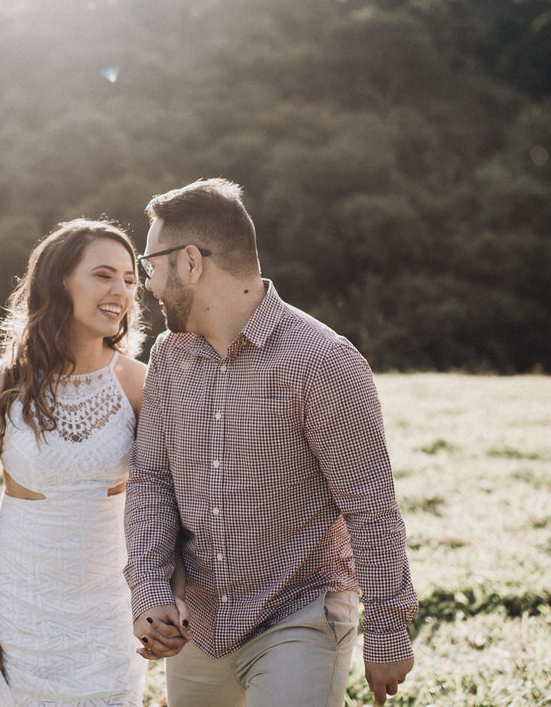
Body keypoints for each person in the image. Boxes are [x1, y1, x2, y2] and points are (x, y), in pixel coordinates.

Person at [124, 178, 418, 707]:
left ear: (190, 262)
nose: (148, 285)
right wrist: (149, 591)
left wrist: (388, 633)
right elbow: (151, 480)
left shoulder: (324, 360)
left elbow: (371, 507)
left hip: (300, 613)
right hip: (198, 625)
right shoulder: (168, 356)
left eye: (150, 266)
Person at [0, 218, 150, 706]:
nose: (121, 291)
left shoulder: (139, 383)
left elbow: (164, 500)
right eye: (103, 275)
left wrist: (164, 597)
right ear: (59, 280)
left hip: (111, 603)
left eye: (129, 280)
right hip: (26, 603)